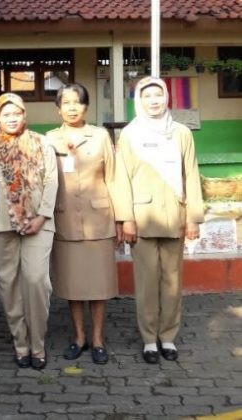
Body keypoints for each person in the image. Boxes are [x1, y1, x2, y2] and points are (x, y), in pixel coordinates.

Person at [114, 77, 204, 364]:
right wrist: (125, 218)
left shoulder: (181, 133)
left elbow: (191, 174)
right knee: (146, 282)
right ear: (139, 101)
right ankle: (149, 340)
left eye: (159, 95)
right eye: (148, 96)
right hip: (142, 219)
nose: (154, 100)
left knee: (172, 282)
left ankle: (168, 337)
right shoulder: (129, 134)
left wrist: (193, 217)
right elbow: (121, 180)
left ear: (167, 98)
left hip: (175, 216)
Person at [0, 92, 58, 370]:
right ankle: (20, 344)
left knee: (37, 281)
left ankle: (38, 345)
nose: (12, 118)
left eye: (17, 113)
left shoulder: (41, 143)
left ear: (25, 114)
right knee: (9, 285)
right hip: (3, 225)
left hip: (39, 223)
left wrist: (42, 215)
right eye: (6, 114)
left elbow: (51, 180)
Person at [46, 83, 120, 365]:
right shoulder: (49, 139)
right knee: (73, 284)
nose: (72, 107)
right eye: (66, 102)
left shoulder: (100, 136)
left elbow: (113, 177)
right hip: (64, 219)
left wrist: (122, 218)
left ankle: (98, 339)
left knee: (98, 284)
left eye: (77, 102)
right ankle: (79, 337)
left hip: (99, 219)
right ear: (58, 108)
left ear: (86, 106)